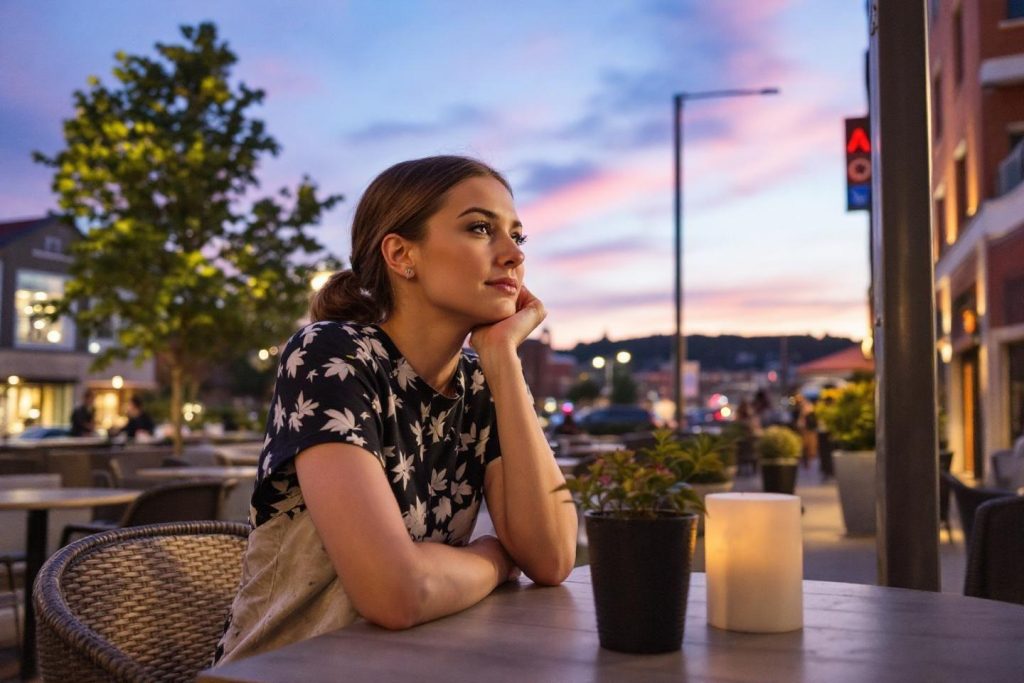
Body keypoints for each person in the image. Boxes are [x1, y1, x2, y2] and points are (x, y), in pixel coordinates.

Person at [214, 156, 577, 664]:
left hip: (415, 663)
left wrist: (502, 359)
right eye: (480, 228)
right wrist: (494, 557)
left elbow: (553, 556)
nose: (513, 256)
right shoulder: (333, 353)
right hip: (289, 668)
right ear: (402, 254)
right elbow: (396, 593)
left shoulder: (480, 381)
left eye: (518, 237)